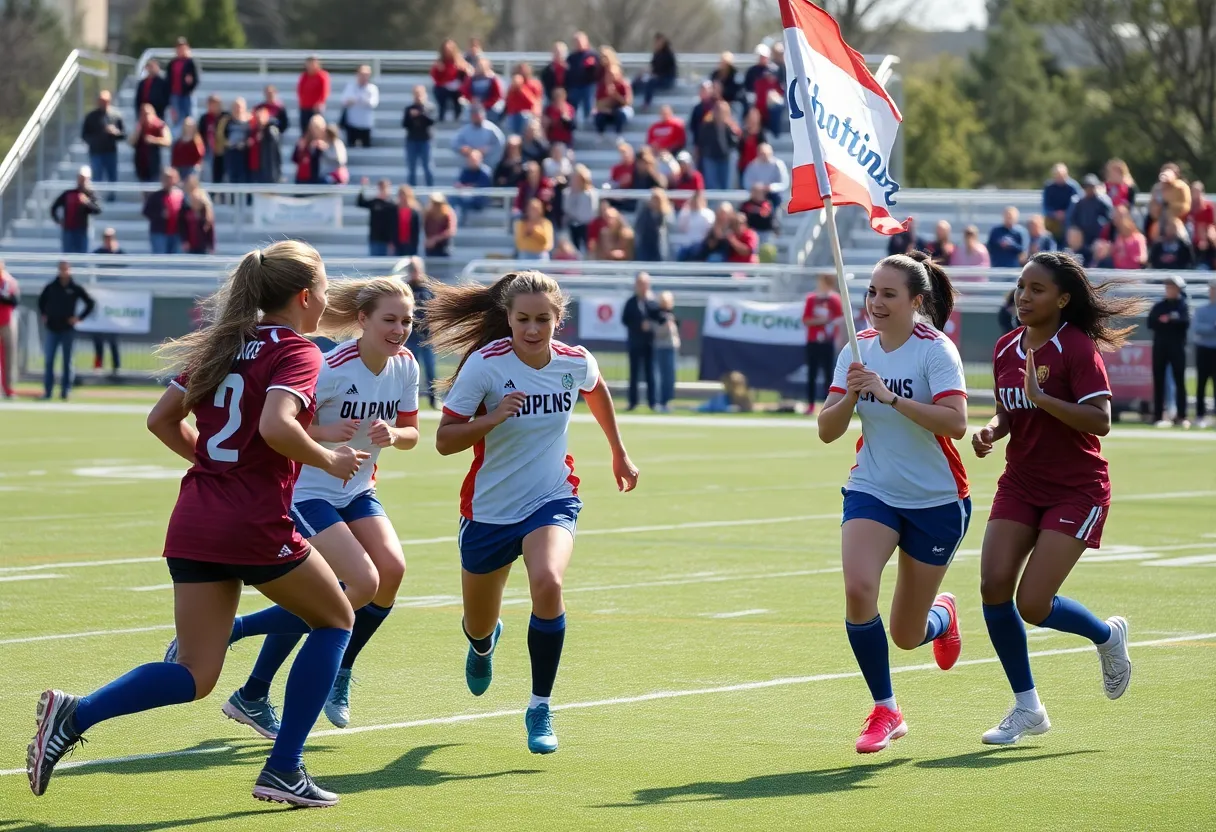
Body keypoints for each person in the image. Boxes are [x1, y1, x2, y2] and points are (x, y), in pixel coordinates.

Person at [27, 242, 366, 807]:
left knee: (195, 672)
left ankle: (76, 711)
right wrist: (329, 460)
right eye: (326, 289)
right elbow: (279, 427)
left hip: (196, 519)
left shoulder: (224, 343)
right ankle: (283, 768)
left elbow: (161, 419)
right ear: (305, 297)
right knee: (336, 620)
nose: (328, 299)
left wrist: (215, 465)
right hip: (251, 522)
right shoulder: (300, 352)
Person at [198, 277, 419, 736]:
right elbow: (279, 427)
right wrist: (324, 433)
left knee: (390, 573)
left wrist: (393, 435)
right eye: (389, 319)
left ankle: (297, 679)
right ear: (362, 320)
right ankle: (241, 648)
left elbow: (413, 434)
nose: (400, 329)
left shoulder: (407, 366)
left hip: (357, 489)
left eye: (407, 320)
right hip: (308, 490)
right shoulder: (331, 367)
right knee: (357, 583)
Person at [429, 269, 638, 753]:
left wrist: (618, 451)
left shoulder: (573, 361)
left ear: (558, 319)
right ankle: (482, 643)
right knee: (479, 624)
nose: (532, 329)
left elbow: (596, 387)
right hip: (488, 510)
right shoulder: (485, 366)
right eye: (522, 318)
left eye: (542, 319)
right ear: (507, 317)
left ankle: (540, 706)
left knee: (549, 581)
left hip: (552, 496)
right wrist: (492, 417)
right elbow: (444, 442)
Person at [971, 251, 1140, 745]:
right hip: (1021, 483)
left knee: (1033, 603)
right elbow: (1008, 411)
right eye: (1021, 286)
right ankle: (1028, 709)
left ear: (1063, 300)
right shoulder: (1006, 347)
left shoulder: (1076, 348)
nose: (1024, 296)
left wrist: (1046, 400)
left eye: (1037, 289)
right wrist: (991, 430)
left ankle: (1107, 636)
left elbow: (1101, 421)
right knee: (993, 585)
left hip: (1076, 488)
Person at [816, 251, 969, 754]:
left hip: (937, 500)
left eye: (888, 294)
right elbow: (826, 431)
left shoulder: (936, 351)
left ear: (915, 301)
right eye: (871, 292)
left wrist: (889, 396)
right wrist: (849, 397)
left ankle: (942, 616)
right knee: (859, 587)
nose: (875, 303)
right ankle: (886, 708)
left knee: (907, 634)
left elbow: (956, 424)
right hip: (873, 489)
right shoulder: (856, 349)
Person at [38, 261, 94, 400]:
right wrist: (44, 314)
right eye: (61, 269)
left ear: (70, 270)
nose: (64, 272)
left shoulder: (75, 287)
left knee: (67, 361)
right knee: (49, 360)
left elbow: (90, 303)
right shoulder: (51, 287)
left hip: (67, 329)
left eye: (66, 269)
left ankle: (66, 391)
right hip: (52, 328)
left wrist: (79, 318)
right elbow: (41, 302)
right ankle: (48, 391)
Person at [1148, 275, 1190, 427]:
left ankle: (1181, 416)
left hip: (1177, 347)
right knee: (1158, 381)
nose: (1169, 290)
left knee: (1180, 381)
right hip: (1160, 347)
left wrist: (1170, 319)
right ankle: (1158, 416)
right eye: (1168, 287)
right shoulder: (1159, 306)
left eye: (1172, 287)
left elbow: (1184, 322)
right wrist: (1170, 320)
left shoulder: (1183, 306)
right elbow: (1151, 322)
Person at [802, 274, 843, 413]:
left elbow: (839, 319)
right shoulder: (811, 298)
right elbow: (806, 320)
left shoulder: (834, 299)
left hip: (828, 340)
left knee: (829, 375)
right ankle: (811, 404)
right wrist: (821, 321)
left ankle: (829, 405)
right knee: (811, 373)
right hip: (813, 340)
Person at [401, 258, 437, 408]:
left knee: (430, 369)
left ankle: (432, 400)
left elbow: (435, 310)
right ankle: (410, 400)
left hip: (426, 337)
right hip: (411, 336)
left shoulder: (428, 289)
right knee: (411, 370)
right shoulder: (406, 289)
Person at [621, 272, 660, 411]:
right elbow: (625, 319)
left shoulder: (653, 302)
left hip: (650, 342)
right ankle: (633, 402)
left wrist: (650, 325)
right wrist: (638, 325)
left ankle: (653, 402)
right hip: (635, 341)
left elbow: (659, 319)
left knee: (651, 372)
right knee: (634, 373)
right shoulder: (631, 302)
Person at [91, 229, 125, 375]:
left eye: (110, 237)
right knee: (98, 335)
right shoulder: (98, 252)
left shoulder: (120, 253)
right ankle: (98, 365)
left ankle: (116, 367)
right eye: (106, 237)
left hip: (114, 298)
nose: (108, 239)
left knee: (113, 336)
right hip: (101, 297)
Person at [81, 91, 125, 200]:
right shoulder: (91, 116)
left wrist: (116, 133)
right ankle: (96, 199)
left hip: (110, 151)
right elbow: (84, 135)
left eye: (105, 101)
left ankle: (112, 197)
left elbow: (123, 135)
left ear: (109, 101)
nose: (103, 103)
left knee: (112, 177)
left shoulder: (116, 116)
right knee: (96, 177)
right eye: (101, 101)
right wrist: (95, 140)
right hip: (96, 152)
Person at [51, 167, 100, 254]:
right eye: (80, 178)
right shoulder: (68, 193)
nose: (81, 181)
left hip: (82, 230)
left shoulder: (90, 194)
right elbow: (54, 207)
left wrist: (87, 202)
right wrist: (58, 220)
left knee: (82, 256)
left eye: (84, 178)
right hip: (68, 230)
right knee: (67, 256)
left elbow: (97, 210)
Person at [143, 168, 185, 255]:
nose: (168, 181)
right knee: (160, 259)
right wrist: (159, 214)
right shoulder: (155, 196)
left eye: (171, 178)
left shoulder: (180, 195)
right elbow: (146, 211)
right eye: (166, 178)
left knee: (175, 260)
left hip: (176, 233)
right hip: (159, 233)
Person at [403, 85, 436, 187]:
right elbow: (404, 124)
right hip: (412, 140)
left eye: (420, 94)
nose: (418, 97)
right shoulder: (409, 109)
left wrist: (421, 114)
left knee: (428, 166)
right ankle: (411, 189)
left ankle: (430, 188)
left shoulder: (429, 108)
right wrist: (411, 117)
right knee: (411, 167)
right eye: (416, 94)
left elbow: (432, 121)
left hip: (425, 140)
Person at [130, 103, 171, 184]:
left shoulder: (160, 125)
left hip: (155, 163)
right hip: (141, 163)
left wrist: (154, 140)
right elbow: (131, 142)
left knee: (154, 186)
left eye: (147, 114)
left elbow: (168, 141)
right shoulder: (139, 126)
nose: (146, 117)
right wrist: (138, 130)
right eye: (143, 114)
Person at [1194, 280, 1216, 428]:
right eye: (1211, 289)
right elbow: (1197, 328)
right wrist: (1213, 328)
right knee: (1201, 383)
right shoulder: (1201, 310)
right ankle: (1200, 415)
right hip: (1203, 350)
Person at [340, 65, 379, 148]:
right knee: (351, 146)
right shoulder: (350, 87)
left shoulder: (372, 88)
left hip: (366, 124)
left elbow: (373, 103)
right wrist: (355, 100)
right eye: (362, 74)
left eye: (366, 75)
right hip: (352, 123)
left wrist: (360, 100)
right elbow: (344, 101)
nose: (364, 77)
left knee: (366, 147)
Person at [653, 290, 680, 412]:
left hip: (671, 347)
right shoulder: (658, 315)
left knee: (670, 376)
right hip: (661, 347)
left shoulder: (671, 315)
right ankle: (659, 401)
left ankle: (667, 400)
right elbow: (657, 332)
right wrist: (665, 327)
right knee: (660, 375)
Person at [565, 32, 600, 123]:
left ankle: (589, 125)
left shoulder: (592, 55)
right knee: (572, 108)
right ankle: (572, 125)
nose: (578, 43)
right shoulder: (571, 58)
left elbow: (597, 71)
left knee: (588, 107)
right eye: (576, 41)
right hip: (574, 86)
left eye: (580, 41)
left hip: (588, 86)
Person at [636, 33, 677, 110]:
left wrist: (655, 74)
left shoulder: (669, 54)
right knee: (638, 80)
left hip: (667, 79)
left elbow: (668, 70)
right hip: (657, 77)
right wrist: (644, 72)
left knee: (651, 82)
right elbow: (652, 66)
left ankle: (647, 103)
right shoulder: (656, 54)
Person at [431, 40, 470, 122]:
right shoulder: (440, 62)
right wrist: (440, 71)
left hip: (458, 88)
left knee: (458, 99)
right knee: (439, 93)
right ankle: (442, 116)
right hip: (444, 86)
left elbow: (467, 74)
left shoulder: (460, 61)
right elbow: (435, 76)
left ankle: (457, 115)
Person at [166, 38, 200, 129]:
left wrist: (190, 86)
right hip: (175, 95)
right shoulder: (172, 63)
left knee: (189, 118)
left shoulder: (191, 62)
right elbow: (168, 79)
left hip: (187, 95)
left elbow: (196, 79)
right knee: (177, 119)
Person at [357, 178, 397, 257]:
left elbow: (394, 225)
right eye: (381, 188)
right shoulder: (375, 202)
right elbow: (360, 203)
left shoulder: (392, 205)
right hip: (375, 238)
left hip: (386, 240)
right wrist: (363, 187)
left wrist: (392, 241)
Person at [563, 165, 598, 252]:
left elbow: (591, 212)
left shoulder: (590, 194)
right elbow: (566, 209)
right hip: (572, 225)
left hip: (587, 226)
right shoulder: (567, 193)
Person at [1041, 163, 1079, 242]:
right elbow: (1045, 206)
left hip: (1070, 218)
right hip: (1053, 218)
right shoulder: (1049, 187)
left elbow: (1078, 203)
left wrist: (1066, 214)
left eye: (1062, 176)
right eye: (1057, 176)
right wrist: (1054, 214)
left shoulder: (1073, 187)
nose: (1060, 178)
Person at [593, 63, 633, 138]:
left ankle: (619, 135)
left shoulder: (624, 85)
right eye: (609, 74)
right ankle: (600, 135)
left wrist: (616, 95)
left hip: (621, 109)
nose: (611, 77)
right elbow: (598, 104)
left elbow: (627, 102)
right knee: (599, 116)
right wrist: (606, 108)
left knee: (620, 114)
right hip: (607, 110)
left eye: (613, 74)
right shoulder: (602, 86)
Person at [673, 189, 714, 260]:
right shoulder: (685, 213)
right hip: (686, 244)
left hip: (701, 244)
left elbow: (710, 231)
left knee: (695, 251)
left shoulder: (708, 214)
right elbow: (681, 228)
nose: (695, 202)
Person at [634, 188, 673, 262]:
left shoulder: (665, 214)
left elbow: (669, 227)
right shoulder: (644, 212)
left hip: (659, 243)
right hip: (645, 242)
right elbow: (638, 227)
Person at [249, 106, 283, 185]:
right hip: (255, 168)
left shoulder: (271, 131)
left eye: (262, 116)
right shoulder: (254, 131)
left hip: (268, 171)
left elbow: (276, 153)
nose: (259, 119)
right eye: (258, 117)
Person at [223, 98, 253, 186]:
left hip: (245, 153)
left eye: (239, 107)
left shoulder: (249, 121)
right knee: (232, 178)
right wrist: (227, 143)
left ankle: (247, 199)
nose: (238, 109)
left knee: (245, 179)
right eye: (235, 107)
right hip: (231, 152)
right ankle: (233, 199)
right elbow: (222, 134)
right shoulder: (227, 121)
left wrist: (246, 143)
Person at [298, 56, 331, 132]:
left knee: (317, 129)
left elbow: (324, 91)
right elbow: (300, 89)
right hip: (305, 106)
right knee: (305, 129)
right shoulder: (304, 76)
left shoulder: (322, 75)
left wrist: (320, 103)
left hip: (316, 108)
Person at [0, 261, 18, 398]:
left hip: (6, 321)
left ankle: (8, 389)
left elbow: (13, 300)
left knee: (9, 357)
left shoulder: (8, 281)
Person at [180, 186, 216, 255]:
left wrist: (212, 246)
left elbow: (211, 232)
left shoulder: (206, 214)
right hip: (190, 245)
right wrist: (184, 240)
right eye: (193, 200)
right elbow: (182, 227)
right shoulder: (186, 211)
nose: (194, 202)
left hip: (203, 246)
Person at [171, 117, 205, 182]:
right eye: (187, 126)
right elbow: (175, 157)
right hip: (180, 168)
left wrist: (193, 141)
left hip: (192, 168)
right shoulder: (178, 142)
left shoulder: (197, 141)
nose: (189, 128)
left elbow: (200, 155)